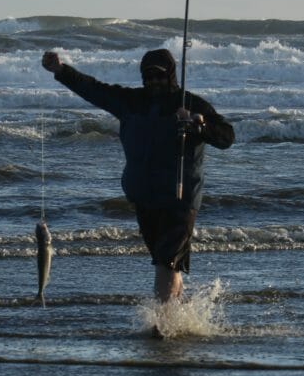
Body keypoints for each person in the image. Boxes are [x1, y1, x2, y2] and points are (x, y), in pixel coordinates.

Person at [42, 48, 234, 302]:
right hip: (144, 196)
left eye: (160, 76)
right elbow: (94, 89)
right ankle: (180, 314)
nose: (154, 81)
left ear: (172, 75)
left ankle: (161, 321)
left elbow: (227, 137)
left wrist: (200, 125)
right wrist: (61, 71)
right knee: (165, 260)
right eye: (149, 76)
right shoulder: (130, 101)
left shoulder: (190, 104)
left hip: (180, 198)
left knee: (166, 259)